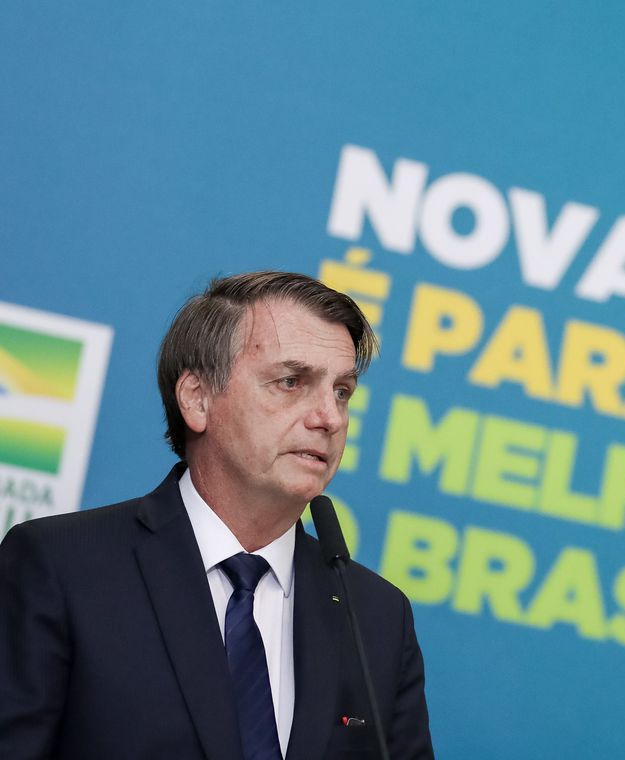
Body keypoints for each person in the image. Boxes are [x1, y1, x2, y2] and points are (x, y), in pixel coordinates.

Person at [0, 271, 434, 759]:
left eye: (342, 391)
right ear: (197, 399)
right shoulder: (61, 567)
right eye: (291, 382)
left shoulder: (378, 617)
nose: (330, 418)